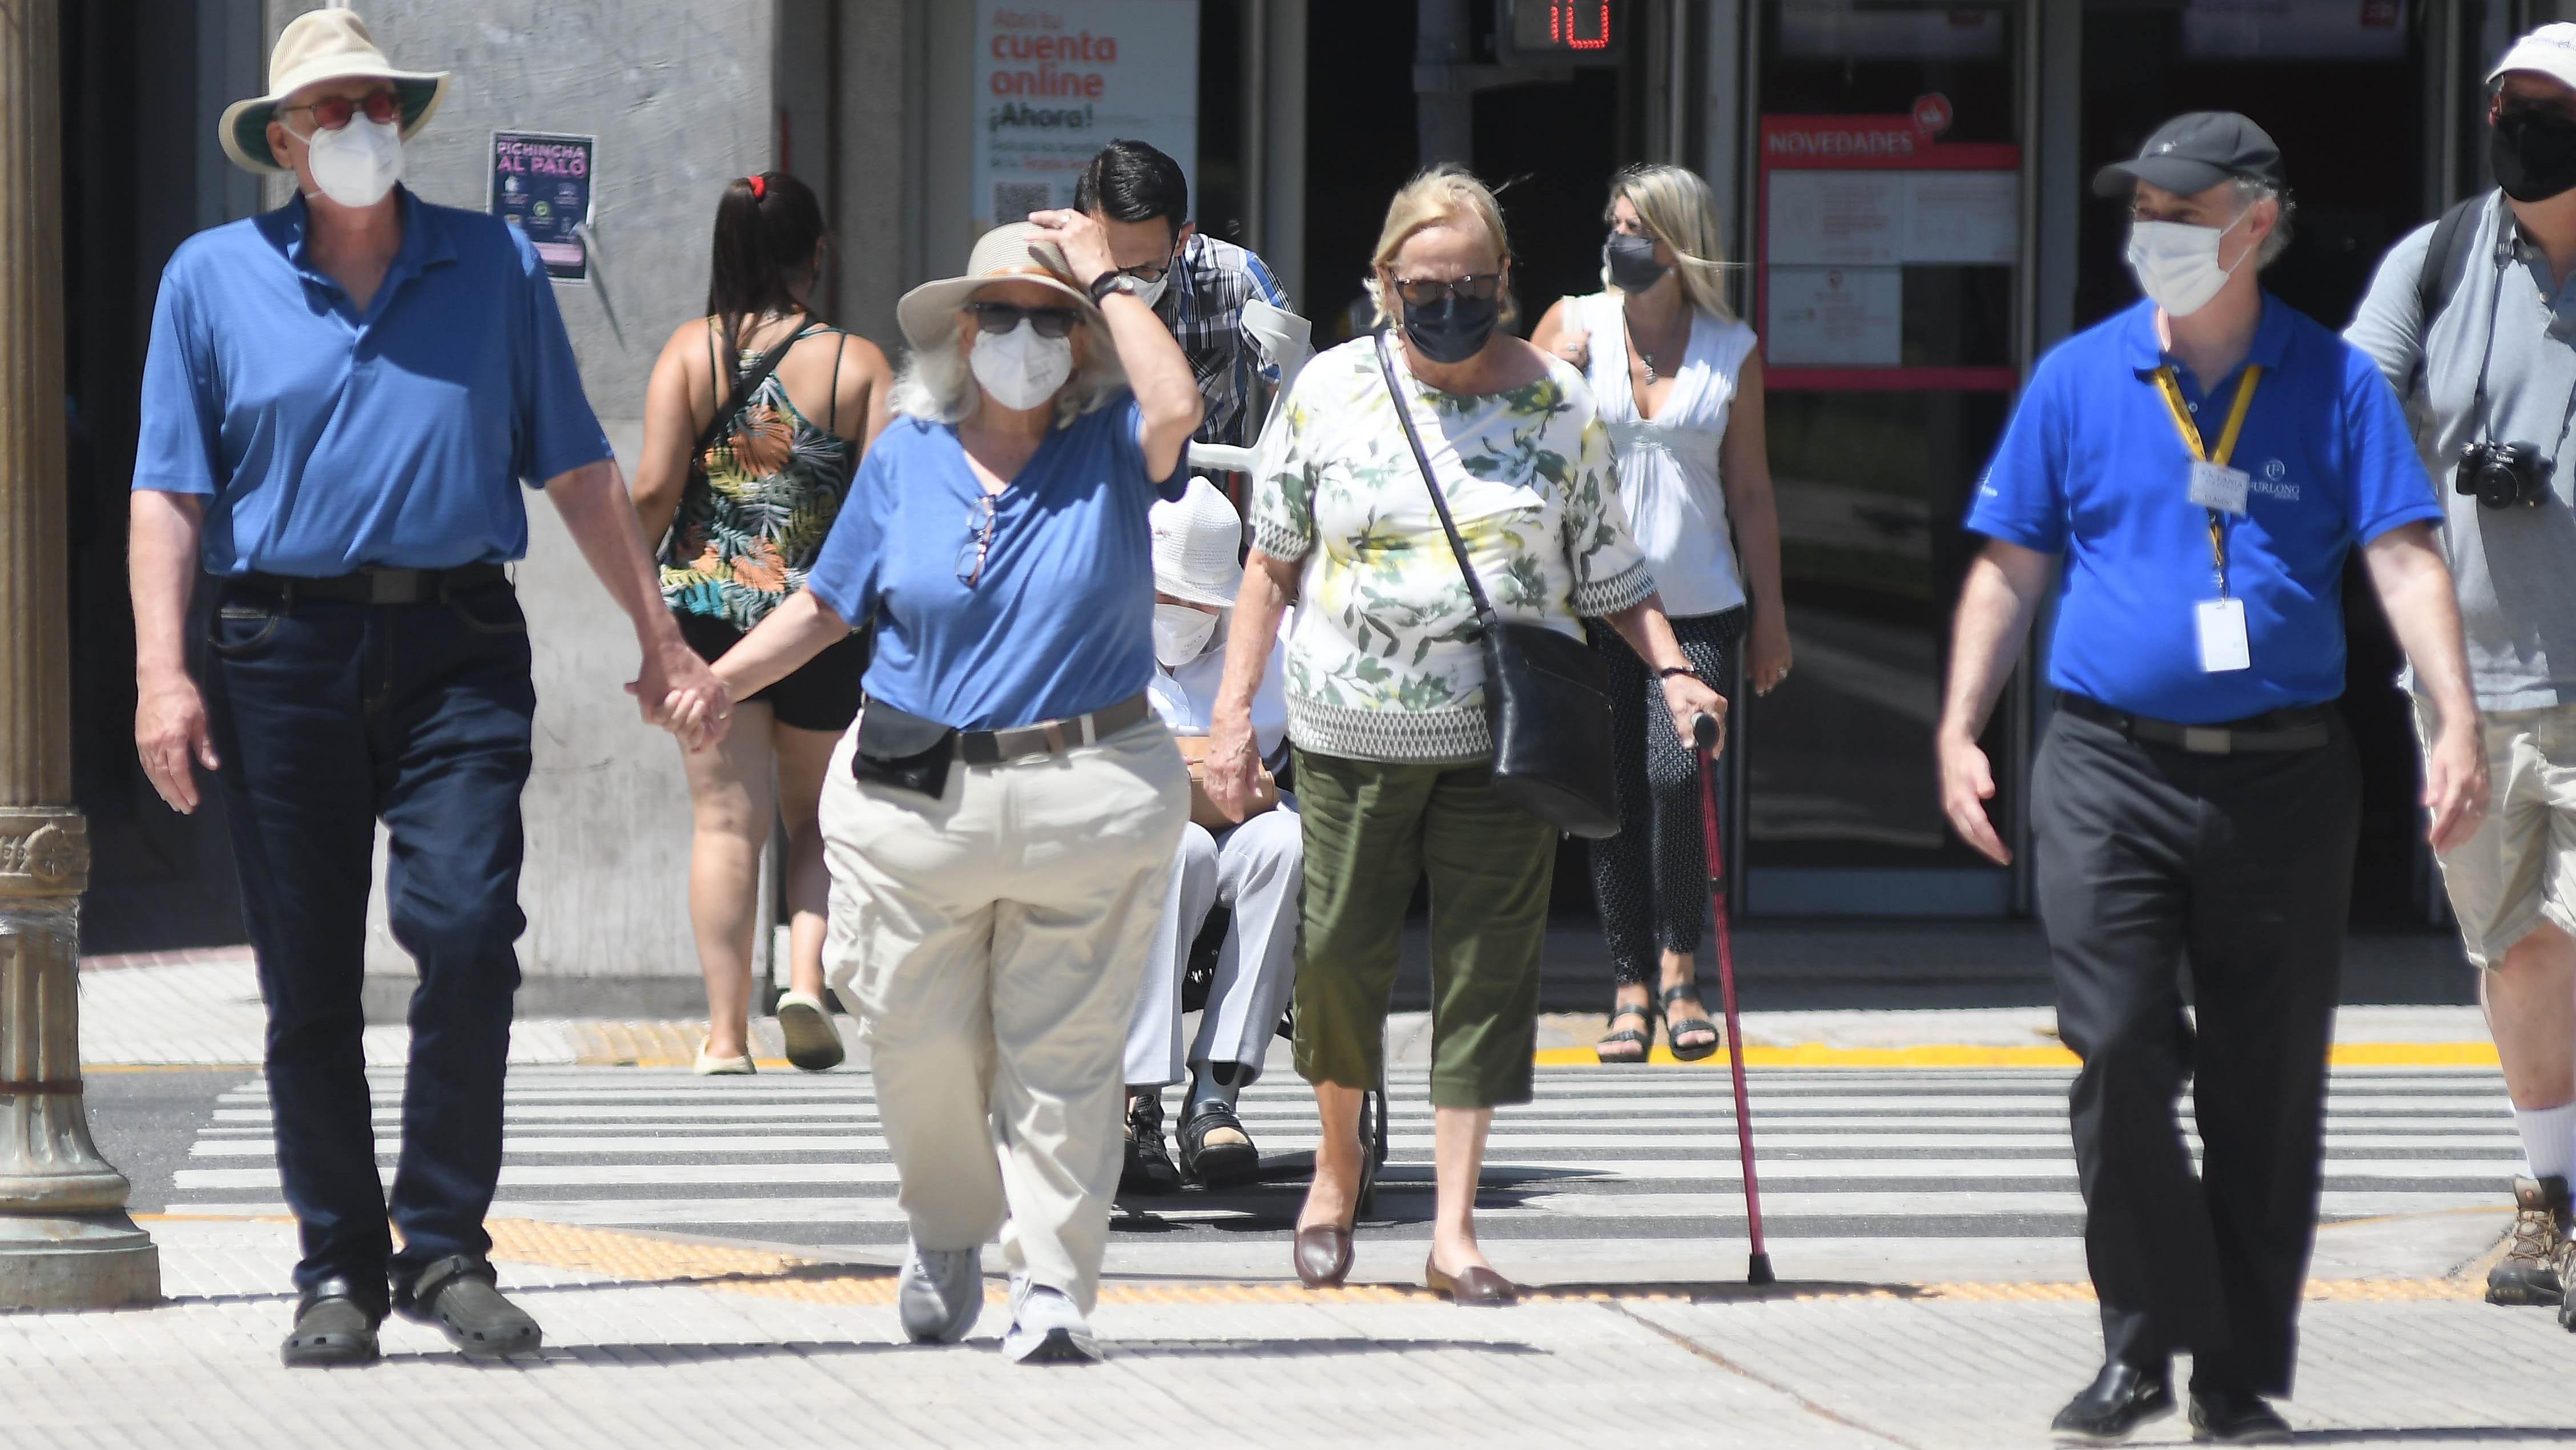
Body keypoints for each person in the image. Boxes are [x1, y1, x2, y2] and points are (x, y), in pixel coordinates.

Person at [128, 9, 728, 1367]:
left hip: (459, 636)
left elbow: (577, 463)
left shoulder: (494, 262)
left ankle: (444, 1242)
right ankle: (336, 1262)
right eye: (331, 111)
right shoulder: (209, 278)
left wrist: (661, 636)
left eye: (378, 106)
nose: (360, 130)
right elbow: (168, 488)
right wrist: (164, 673)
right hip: (279, 648)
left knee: (464, 930)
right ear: (282, 140)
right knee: (307, 977)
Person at [1937, 112, 2485, 1441]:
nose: (2155, 239)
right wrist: (1959, 724)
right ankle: (2136, 1348)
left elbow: (2404, 559)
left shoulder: (2332, 382)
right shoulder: (2077, 378)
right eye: (2143, 215)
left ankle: (2232, 1377)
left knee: (2263, 1084)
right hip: (2103, 765)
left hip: (2286, 779)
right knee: (2118, 1047)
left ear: (2255, 223)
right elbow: (2008, 564)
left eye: (2182, 217)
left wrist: (2452, 719)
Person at [1202, 166, 1726, 1306]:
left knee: (1490, 971)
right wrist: (1233, 718)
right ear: (1384, 282)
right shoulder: (1331, 392)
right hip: (1348, 731)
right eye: (1424, 284)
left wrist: (1678, 673)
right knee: (1338, 957)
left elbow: (1611, 570)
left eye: (1472, 284)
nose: (1448, 303)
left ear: (1504, 283)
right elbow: (1271, 566)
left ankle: (1453, 1230)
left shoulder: (1553, 400)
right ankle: (1337, 1166)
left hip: (1505, 741)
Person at [682, 214, 1200, 1364]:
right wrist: (719, 682)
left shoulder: (1115, 435)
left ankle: (1053, 1287)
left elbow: (1178, 410)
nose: (1024, 337)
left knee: (1063, 1060)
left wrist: (1110, 280)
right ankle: (951, 1223)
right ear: (963, 334)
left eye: (1049, 318)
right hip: (918, 799)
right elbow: (825, 604)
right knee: (913, 1040)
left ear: (1084, 336)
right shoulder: (908, 451)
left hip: (1090, 787)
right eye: (1001, 315)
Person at [2345, 25, 2576, 1325]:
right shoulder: (2433, 259)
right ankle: (2545, 1193)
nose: (2520, 125)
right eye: (2509, 103)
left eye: (2549, 107)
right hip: (2469, 689)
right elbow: (2352, 402)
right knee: (2518, 947)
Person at [631, 171, 891, 1076]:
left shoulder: (688, 356)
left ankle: (723, 1037)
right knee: (817, 821)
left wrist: (641, 607)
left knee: (723, 825)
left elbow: (656, 492)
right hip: (820, 619)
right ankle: (807, 984)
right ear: (815, 255)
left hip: (705, 620)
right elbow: (888, 502)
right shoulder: (858, 364)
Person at [1531, 164, 1791, 1065]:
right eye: (1614, 222)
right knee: (1609, 802)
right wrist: (1548, 386)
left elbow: (1752, 492)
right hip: (1593, 611)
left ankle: (1683, 966)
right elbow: (1519, 446)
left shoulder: (1731, 346)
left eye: (1637, 226)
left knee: (1679, 784)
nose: (1619, 239)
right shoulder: (1573, 323)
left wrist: (1772, 617)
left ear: (1679, 240)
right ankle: (1629, 983)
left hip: (1702, 608)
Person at [1118, 477, 1301, 1194]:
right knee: (1180, 847)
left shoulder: (1264, 645)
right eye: (1165, 595)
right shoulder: (1104, 628)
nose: (1177, 611)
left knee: (1288, 842)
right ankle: (1140, 1095)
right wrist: (1198, 766)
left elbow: (1249, 785)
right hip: (1137, 838)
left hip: (1240, 825)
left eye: (1194, 599)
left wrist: (1176, 767)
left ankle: (1216, 1090)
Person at [1075, 138, 1289, 454]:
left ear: (1181, 241)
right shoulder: (1046, 283)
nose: (1124, 287)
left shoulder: (1236, 278)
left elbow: (1304, 401)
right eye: (1109, 269)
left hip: (1198, 491)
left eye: (1145, 270)